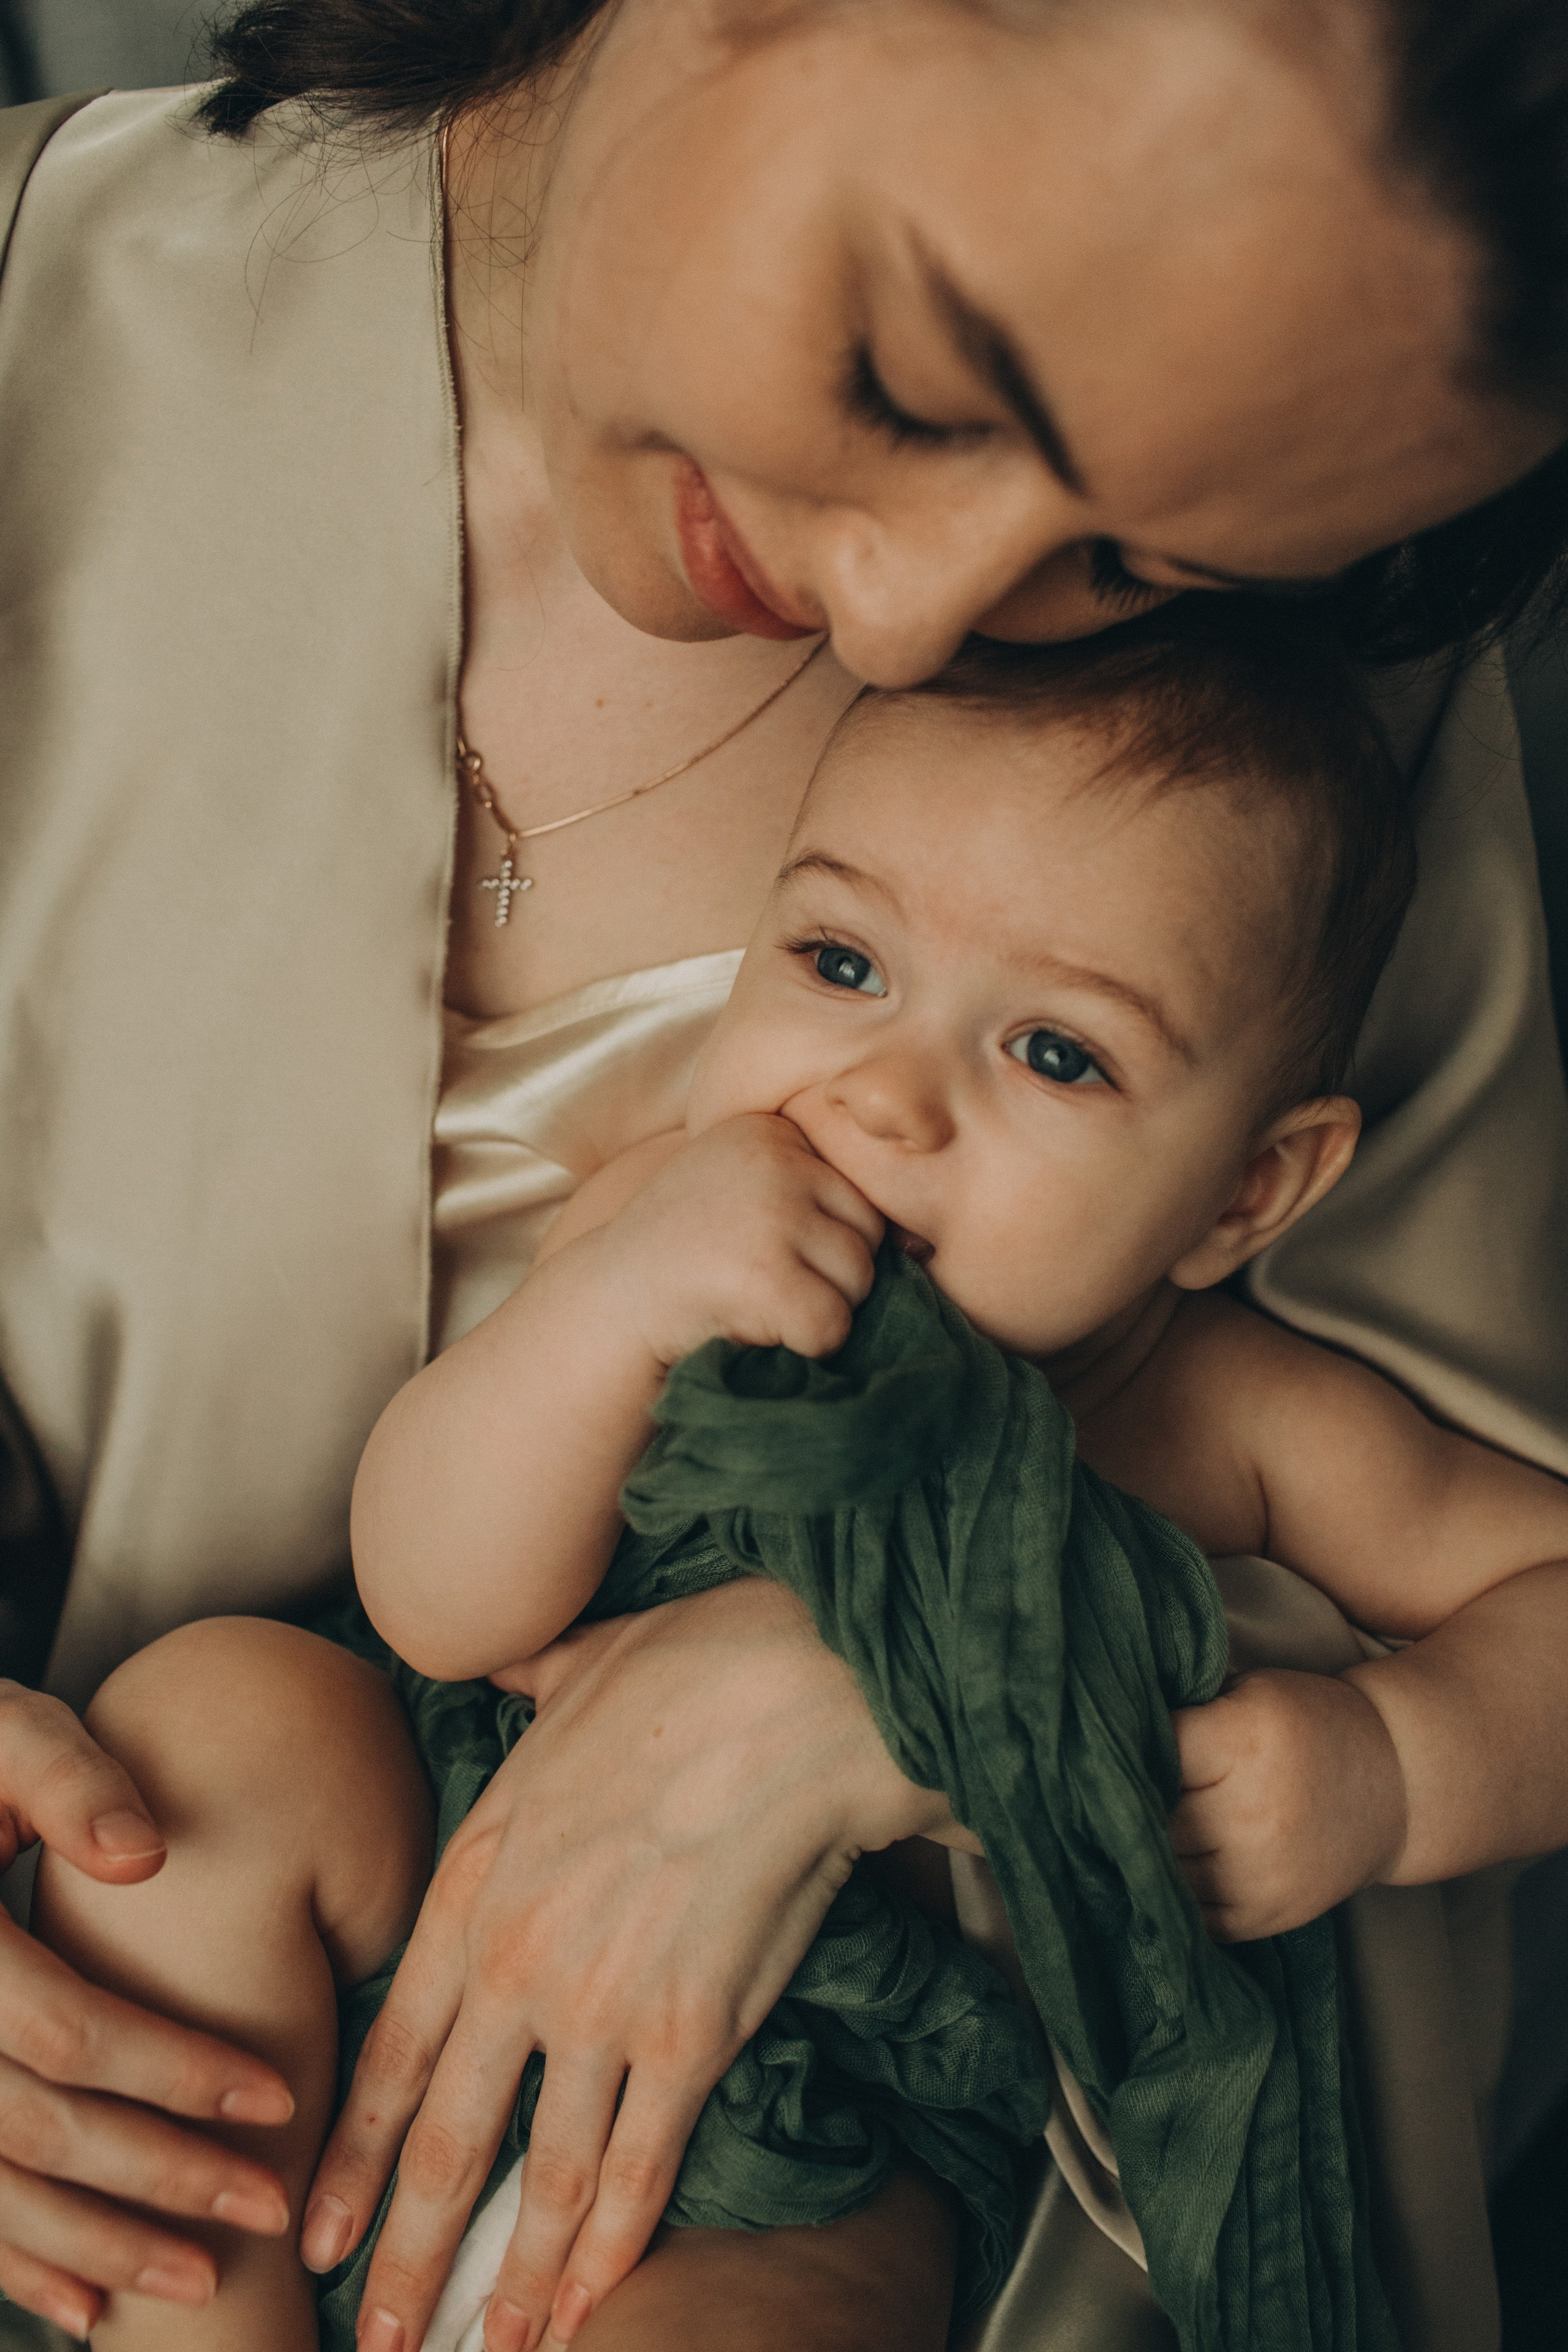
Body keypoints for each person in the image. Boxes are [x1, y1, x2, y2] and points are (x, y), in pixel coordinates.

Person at [1, 1, 1567, 2346]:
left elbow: (1450, 1722)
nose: (917, 622)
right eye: (927, 371)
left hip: (836, 2136)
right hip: (236, 1990)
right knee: (224, 1735)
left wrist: (936, 1683)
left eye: (1130, 557)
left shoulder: (1283, 743)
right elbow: (437, 1591)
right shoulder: (46, 319)